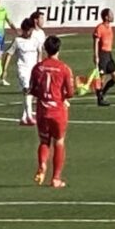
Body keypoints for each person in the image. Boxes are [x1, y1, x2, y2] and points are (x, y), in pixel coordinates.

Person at [30, 35, 74, 188]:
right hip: (58, 111)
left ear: (45, 49)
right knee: (59, 142)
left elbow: (33, 90)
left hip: (42, 110)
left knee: (44, 141)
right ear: (59, 49)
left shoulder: (38, 68)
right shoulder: (64, 68)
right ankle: (56, 178)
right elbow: (70, 92)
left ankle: (42, 164)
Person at [1, 18, 43, 126]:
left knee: (31, 93)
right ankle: (29, 116)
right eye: (28, 31)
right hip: (22, 69)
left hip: (33, 70)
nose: (30, 33)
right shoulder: (17, 41)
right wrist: (4, 70)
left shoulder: (35, 40)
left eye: (31, 30)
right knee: (27, 90)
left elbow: (39, 52)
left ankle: (24, 118)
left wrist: (40, 65)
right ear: (24, 30)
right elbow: (9, 54)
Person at [92, 8, 115, 106]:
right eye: (111, 14)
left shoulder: (109, 27)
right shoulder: (100, 27)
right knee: (101, 79)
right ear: (106, 17)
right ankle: (100, 99)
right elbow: (96, 41)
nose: (112, 16)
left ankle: (103, 93)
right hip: (102, 54)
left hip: (109, 54)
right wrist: (96, 55)